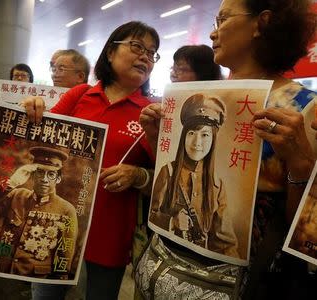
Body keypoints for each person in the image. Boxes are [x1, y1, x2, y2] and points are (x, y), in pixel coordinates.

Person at [138, 0, 317, 298]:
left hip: (236, 281)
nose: (213, 34)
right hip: (164, 265)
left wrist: (300, 164)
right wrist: (158, 139)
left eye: (222, 20)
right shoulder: (197, 98)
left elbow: (304, 230)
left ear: (262, 22)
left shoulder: (304, 108)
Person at [23, 20, 159, 300]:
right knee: (45, 296)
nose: (145, 56)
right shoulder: (80, 95)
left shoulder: (151, 113)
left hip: (110, 231)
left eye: (152, 52)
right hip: (56, 222)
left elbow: (164, 176)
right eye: (137, 46)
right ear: (110, 52)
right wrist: (33, 112)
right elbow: (42, 141)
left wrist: (136, 174)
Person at [150, 93, 238, 257]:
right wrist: (171, 221)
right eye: (191, 133)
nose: (197, 142)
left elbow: (224, 241)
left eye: (205, 135)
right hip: (167, 256)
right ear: (184, 136)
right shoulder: (167, 172)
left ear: (213, 139)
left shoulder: (216, 183)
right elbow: (152, 214)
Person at [0, 146, 78, 278]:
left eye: (51, 174)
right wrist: (11, 183)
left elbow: (64, 257)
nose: (44, 179)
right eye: (40, 172)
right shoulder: (16, 195)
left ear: (58, 179)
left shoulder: (67, 210)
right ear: (32, 175)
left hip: (32, 280)